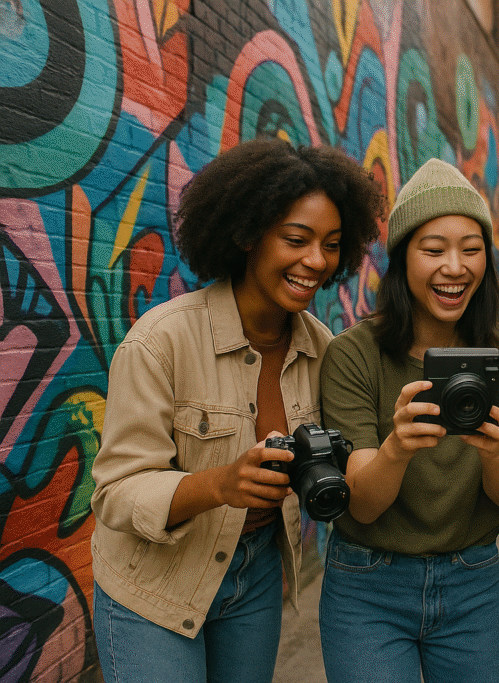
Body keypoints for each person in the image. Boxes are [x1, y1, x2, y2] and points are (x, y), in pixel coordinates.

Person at [89, 138, 385, 683]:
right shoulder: (161, 341)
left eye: (331, 245)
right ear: (248, 235)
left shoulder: (324, 351)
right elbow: (115, 492)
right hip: (154, 586)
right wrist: (221, 484)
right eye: (296, 239)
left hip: (256, 579)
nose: (316, 261)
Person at [317, 158, 499, 683]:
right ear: (402, 259)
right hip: (367, 582)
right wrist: (396, 448)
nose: (455, 268)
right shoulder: (353, 354)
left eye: (471, 249)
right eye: (434, 250)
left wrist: (492, 449)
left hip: (472, 582)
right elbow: (363, 505)